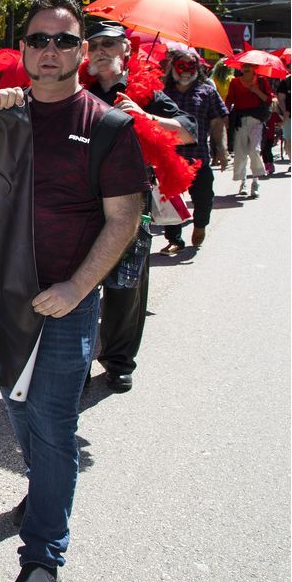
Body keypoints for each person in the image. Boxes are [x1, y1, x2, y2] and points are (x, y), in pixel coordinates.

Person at [4, 0, 148, 582]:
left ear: (82, 52)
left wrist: (76, 289)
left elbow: (124, 219)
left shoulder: (110, 128)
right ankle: (45, 489)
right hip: (1, 302)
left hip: (67, 301)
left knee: (54, 422)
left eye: (64, 42)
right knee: (16, 410)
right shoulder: (0, 119)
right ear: (24, 51)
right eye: (39, 41)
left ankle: (42, 556)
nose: (50, 52)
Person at [85, 20, 195, 393]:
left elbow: (187, 130)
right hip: (80, 200)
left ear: (126, 51)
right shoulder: (75, 90)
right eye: (95, 44)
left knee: (126, 287)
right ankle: (75, 363)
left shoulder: (145, 94)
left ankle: (117, 362)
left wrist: (146, 116)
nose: (101, 51)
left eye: (110, 45)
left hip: (130, 200)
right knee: (78, 284)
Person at [160, 50, 228, 253]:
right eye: (182, 65)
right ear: (173, 67)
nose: (186, 70)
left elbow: (217, 122)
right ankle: (175, 239)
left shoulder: (207, 91)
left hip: (199, 156)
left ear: (198, 69)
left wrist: (222, 149)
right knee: (170, 201)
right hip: (169, 157)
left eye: (192, 66)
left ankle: (200, 226)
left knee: (204, 198)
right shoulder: (162, 92)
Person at [225, 64, 273, 199]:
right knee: (240, 153)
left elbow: (268, 100)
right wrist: (224, 114)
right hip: (240, 121)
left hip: (256, 121)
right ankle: (243, 182)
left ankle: (255, 182)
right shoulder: (235, 82)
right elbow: (229, 99)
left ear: (254, 68)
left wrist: (256, 91)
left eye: (249, 66)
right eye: (244, 66)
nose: (246, 68)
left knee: (254, 150)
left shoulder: (262, 81)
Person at [210, 60, 234, 169]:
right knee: (225, 134)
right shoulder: (232, 80)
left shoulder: (213, 80)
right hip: (228, 109)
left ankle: (214, 158)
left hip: (215, 110)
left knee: (214, 134)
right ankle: (224, 154)